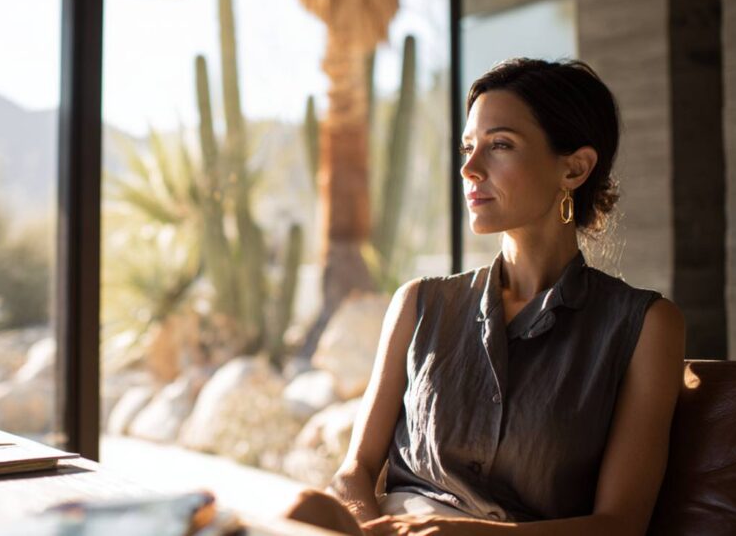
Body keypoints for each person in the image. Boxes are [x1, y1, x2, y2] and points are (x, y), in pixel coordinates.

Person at [285, 58, 686, 536]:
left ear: (575, 169)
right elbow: (354, 471)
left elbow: (621, 525)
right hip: (390, 530)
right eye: (468, 147)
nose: (469, 168)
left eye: (499, 145)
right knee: (304, 509)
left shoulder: (644, 326)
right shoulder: (419, 304)